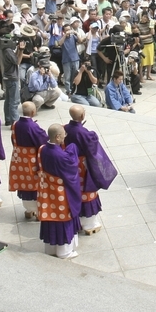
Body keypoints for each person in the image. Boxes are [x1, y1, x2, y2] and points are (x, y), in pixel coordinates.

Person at [64, 105, 118, 236]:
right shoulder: (83, 133)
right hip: (82, 166)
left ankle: (77, 221)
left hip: (70, 166)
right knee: (87, 192)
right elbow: (92, 145)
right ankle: (89, 224)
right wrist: (92, 135)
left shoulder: (64, 128)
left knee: (74, 191)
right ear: (82, 116)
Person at [38, 123, 82, 259]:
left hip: (47, 190)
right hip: (60, 192)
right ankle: (64, 252)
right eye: (63, 135)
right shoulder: (61, 156)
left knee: (50, 217)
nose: (65, 137)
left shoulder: (43, 149)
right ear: (57, 137)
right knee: (63, 218)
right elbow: (71, 167)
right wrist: (72, 147)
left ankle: (50, 248)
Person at [9, 101, 49, 220]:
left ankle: (28, 209)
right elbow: (42, 140)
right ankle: (37, 210)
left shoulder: (15, 124)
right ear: (33, 112)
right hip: (31, 160)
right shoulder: (33, 126)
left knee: (24, 183)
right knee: (34, 184)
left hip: (19, 159)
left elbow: (13, 139)